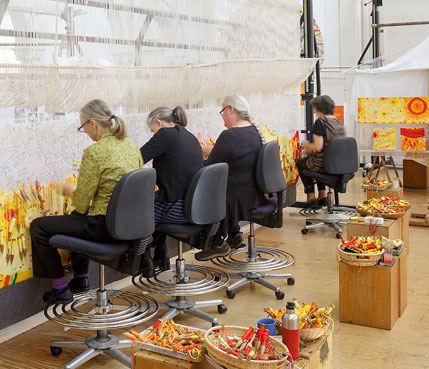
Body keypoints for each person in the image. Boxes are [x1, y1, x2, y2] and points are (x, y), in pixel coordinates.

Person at [30, 99, 143, 303]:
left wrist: (68, 190)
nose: (86, 132)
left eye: (83, 127)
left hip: (103, 227)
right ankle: (80, 278)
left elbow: (82, 203)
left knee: (39, 227)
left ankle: (60, 288)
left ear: (93, 123)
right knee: (77, 218)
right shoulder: (131, 147)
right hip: (131, 226)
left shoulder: (95, 152)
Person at [195, 94, 265, 261]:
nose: (222, 118)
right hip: (252, 194)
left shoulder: (229, 136)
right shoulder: (252, 131)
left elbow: (209, 167)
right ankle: (234, 236)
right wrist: (199, 148)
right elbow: (227, 152)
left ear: (230, 109)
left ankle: (216, 242)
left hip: (234, 198)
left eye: (222, 112)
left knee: (202, 191)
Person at [140, 106, 204, 271]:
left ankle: (141, 259)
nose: (153, 135)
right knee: (156, 199)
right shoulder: (188, 135)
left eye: (152, 131)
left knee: (138, 209)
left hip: (178, 209)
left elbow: (137, 158)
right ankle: (160, 255)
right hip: (196, 206)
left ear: (159, 123)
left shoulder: (165, 134)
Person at [295, 95, 346, 207]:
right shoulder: (338, 121)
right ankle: (322, 195)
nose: (313, 111)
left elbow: (318, 147)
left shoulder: (320, 122)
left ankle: (311, 197)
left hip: (324, 165)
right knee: (315, 161)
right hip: (340, 165)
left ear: (320, 108)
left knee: (300, 163)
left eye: (314, 108)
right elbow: (329, 145)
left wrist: (306, 144)